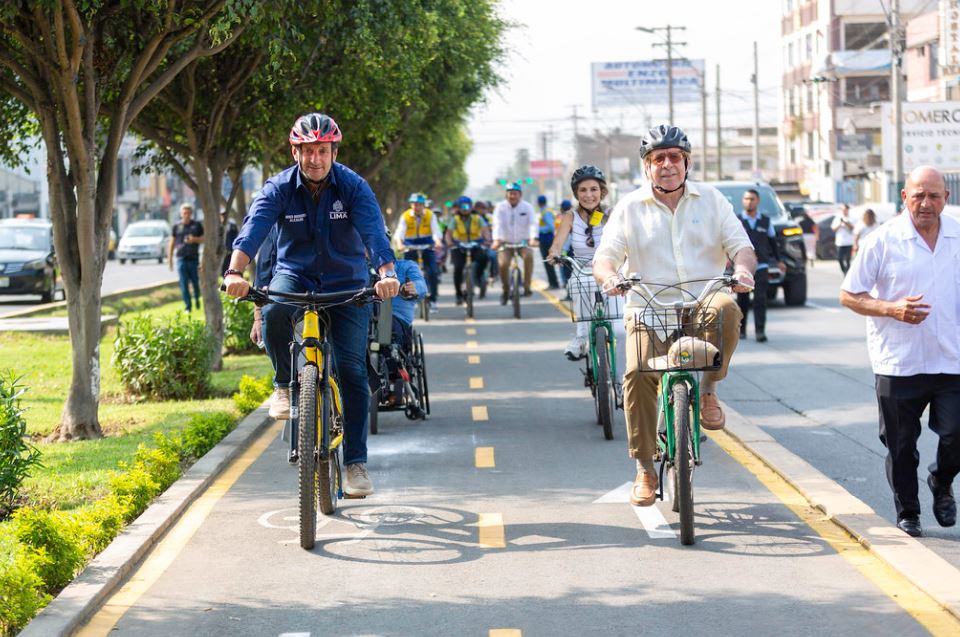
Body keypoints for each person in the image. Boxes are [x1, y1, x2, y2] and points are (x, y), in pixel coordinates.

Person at [223, 112, 399, 497]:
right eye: (306, 151)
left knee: (353, 370)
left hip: (347, 284)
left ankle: (355, 463)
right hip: (295, 276)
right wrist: (235, 272)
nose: (314, 159)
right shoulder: (279, 187)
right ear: (294, 151)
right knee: (272, 310)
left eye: (321, 150)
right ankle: (284, 385)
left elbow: (373, 231)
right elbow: (254, 229)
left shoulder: (353, 186)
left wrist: (386, 273)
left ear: (333, 151)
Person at [592, 124, 756, 508]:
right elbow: (605, 257)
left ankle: (710, 390)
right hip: (649, 308)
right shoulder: (629, 207)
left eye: (674, 158)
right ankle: (646, 467)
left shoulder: (712, 199)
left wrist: (744, 271)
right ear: (646, 167)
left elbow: (741, 247)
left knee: (728, 309)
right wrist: (611, 277)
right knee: (636, 374)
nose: (667, 165)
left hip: (703, 302)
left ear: (687, 163)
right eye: (657, 159)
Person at [839, 165, 960, 538]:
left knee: (957, 433)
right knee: (901, 445)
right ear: (904, 197)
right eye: (918, 195)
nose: (926, 203)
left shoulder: (958, 235)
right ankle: (908, 510)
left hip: (951, 359)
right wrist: (891, 309)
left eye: (934, 196)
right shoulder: (883, 240)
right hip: (899, 362)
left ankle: (941, 481)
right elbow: (849, 294)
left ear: (946, 198)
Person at [548, 165, 626, 371]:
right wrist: (555, 254)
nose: (589, 195)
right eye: (583, 190)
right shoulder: (570, 217)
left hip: (611, 271)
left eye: (594, 189)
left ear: (602, 191)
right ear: (576, 193)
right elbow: (557, 244)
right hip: (582, 269)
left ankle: (617, 377)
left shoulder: (612, 213)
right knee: (579, 284)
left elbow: (627, 239)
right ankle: (581, 337)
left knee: (620, 330)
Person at [737, 188, 784, 343]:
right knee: (742, 300)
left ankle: (760, 331)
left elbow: (773, 242)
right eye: (746, 199)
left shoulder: (765, 221)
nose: (749, 202)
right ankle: (742, 330)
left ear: (757, 201)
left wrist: (779, 260)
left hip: (762, 266)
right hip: (742, 268)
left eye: (752, 199)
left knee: (760, 300)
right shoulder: (737, 221)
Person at [491, 182, 538, 304]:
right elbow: (497, 224)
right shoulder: (500, 207)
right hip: (505, 243)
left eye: (515, 193)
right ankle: (506, 290)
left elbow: (533, 223)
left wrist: (533, 238)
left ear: (520, 195)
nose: (512, 196)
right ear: (506, 195)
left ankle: (527, 287)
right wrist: (497, 239)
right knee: (503, 264)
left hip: (523, 242)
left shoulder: (527, 207)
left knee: (529, 256)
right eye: (510, 193)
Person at [394, 193, 442, 311]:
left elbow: (436, 231)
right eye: (414, 204)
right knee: (406, 274)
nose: (417, 206)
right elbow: (399, 233)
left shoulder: (430, 215)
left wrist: (437, 242)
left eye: (419, 204)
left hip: (427, 247)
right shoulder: (405, 216)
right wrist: (400, 244)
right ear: (411, 204)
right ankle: (410, 297)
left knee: (433, 272)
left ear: (423, 205)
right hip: (411, 247)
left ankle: (433, 300)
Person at [445, 195, 491, 303]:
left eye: (467, 206)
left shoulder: (477, 218)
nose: (465, 209)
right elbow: (448, 233)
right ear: (459, 208)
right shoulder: (454, 219)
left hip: (475, 245)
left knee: (484, 258)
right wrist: (449, 242)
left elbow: (485, 230)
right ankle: (458, 294)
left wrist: (487, 239)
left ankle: (479, 278)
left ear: (471, 207)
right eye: (462, 207)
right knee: (458, 268)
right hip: (459, 246)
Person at [169, 203, 204, 312]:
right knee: (183, 284)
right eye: (184, 213)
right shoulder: (177, 226)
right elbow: (172, 242)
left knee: (195, 283)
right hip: (181, 259)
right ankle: (187, 306)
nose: (186, 215)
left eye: (188, 213)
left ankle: (197, 298)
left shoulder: (197, 225)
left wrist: (194, 240)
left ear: (191, 213)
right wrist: (169, 259)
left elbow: (204, 239)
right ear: (181, 214)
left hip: (193, 259)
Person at [536, 194, 560, 289]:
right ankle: (553, 282)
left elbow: (551, 227)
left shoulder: (546, 212)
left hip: (546, 240)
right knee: (549, 262)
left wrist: (538, 229)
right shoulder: (546, 210)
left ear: (538, 203)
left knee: (548, 262)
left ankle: (553, 283)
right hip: (546, 239)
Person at [832, 203, 855, 274]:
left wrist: (846, 223)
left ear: (848, 210)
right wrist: (840, 223)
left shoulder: (851, 218)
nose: (844, 211)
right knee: (839, 258)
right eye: (843, 210)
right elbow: (834, 229)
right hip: (840, 242)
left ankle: (847, 272)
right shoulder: (837, 218)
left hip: (849, 242)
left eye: (845, 210)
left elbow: (853, 228)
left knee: (848, 259)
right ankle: (844, 270)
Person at [220, 210, 239, 276]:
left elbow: (235, 237)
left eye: (225, 214)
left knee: (230, 270)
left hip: (229, 252)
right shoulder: (218, 226)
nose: (224, 216)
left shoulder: (232, 225)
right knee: (222, 271)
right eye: (222, 215)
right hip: (221, 253)